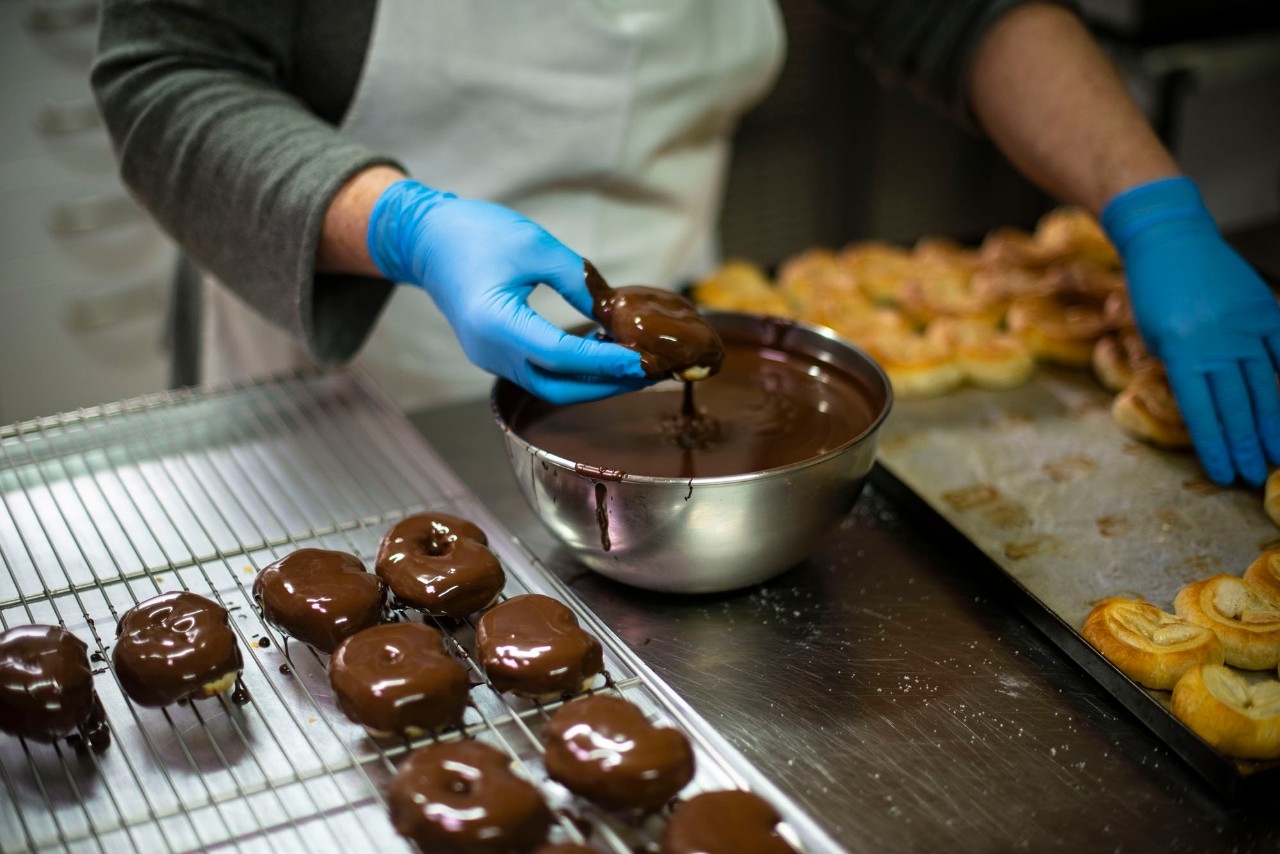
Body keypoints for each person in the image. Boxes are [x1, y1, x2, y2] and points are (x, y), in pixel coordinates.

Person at [91, 1, 1280, 487]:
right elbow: (164, 72)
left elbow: (957, 9)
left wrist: (1150, 204)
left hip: (662, 351)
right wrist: (413, 225)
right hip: (344, 368)